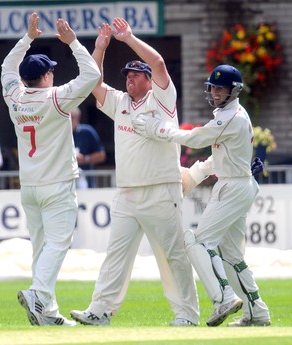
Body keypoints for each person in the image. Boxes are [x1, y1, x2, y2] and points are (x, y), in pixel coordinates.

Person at [70, 18, 200, 327]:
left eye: (135, 75)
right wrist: (100, 48)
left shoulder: (162, 99)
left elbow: (157, 61)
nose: (129, 80)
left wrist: (127, 38)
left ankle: (187, 315)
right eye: (126, 75)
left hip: (161, 190)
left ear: (147, 79)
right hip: (127, 193)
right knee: (116, 255)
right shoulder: (120, 103)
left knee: (172, 256)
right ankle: (100, 310)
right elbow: (94, 84)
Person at [132, 64, 271, 327]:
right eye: (214, 87)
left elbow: (194, 139)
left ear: (235, 90)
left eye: (222, 88)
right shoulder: (230, 114)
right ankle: (257, 312)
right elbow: (218, 158)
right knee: (231, 255)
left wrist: (155, 128)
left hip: (233, 187)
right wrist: (195, 176)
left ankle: (224, 298)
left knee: (197, 241)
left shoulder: (230, 118)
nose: (216, 92)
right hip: (238, 184)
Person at [0, 12, 100, 326]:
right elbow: (92, 74)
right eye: (51, 72)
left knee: (41, 247)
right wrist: (73, 42)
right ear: (45, 77)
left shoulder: (14, 97)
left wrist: (28, 37)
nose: (53, 76)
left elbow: (6, 67)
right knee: (58, 243)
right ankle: (38, 293)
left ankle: (49, 312)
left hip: (29, 185)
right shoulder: (56, 98)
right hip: (56, 184)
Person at [71, 107, 106, 188]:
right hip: (66, 183)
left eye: (72, 117)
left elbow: (102, 155)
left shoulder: (87, 132)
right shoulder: (61, 135)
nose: (70, 120)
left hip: (86, 179)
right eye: (68, 117)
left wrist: (85, 159)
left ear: (77, 118)